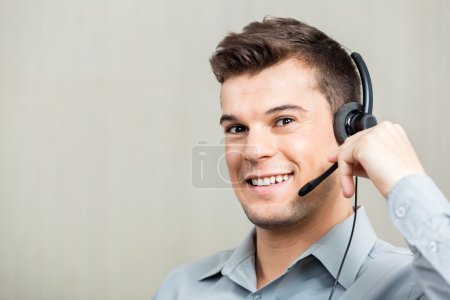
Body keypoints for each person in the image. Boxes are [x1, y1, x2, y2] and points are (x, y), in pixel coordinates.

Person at [153, 17, 450, 299]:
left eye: (284, 121)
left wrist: (406, 181)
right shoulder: (181, 289)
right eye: (237, 128)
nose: (254, 150)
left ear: (349, 129)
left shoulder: (412, 287)